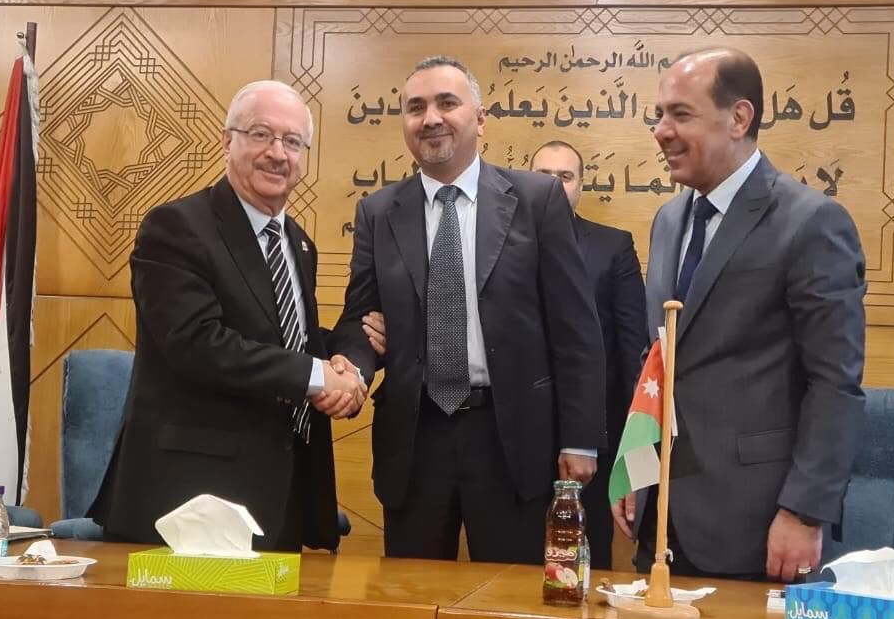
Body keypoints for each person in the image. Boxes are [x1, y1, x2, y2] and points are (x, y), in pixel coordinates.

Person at [332, 55, 606, 564]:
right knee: (411, 595)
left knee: (510, 597)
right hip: (415, 440)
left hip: (512, 438)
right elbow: (359, 318)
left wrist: (581, 440)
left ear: (479, 119)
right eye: (416, 107)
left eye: (447, 103)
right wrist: (353, 369)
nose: (431, 118)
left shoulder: (537, 199)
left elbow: (577, 331)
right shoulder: (378, 211)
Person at [616, 46, 867, 582]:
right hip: (662, 520)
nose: (661, 131)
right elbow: (659, 357)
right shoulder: (667, 220)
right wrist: (637, 465)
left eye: (680, 114)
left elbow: (835, 383)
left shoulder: (812, 223)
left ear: (739, 118)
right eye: (659, 115)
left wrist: (804, 512)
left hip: (757, 522)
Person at [88, 81, 363, 549]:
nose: (277, 153)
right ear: (227, 141)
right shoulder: (176, 227)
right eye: (261, 135)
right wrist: (317, 376)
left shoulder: (298, 243)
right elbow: (196, 342)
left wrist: (344, 370)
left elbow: (284, 336)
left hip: (281, 494)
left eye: (293, 141)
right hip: (190, 497)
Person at [529, 140, 647, 569]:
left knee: (582, 564)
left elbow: (633, 353)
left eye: (565, 176)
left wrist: (635, 455)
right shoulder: (499, 244)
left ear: (580, 185)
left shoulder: (612, 246)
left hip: (594, 439)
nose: (553, 186)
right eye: (543, 176)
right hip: (516, 437)